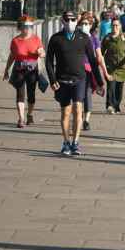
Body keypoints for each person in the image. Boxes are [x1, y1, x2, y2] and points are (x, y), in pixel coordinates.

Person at [45, 11, 105, 156]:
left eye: (73, 19)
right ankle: (66, 142)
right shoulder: (56, 39)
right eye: (68, 19)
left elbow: (92, 60)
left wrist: (100, 82)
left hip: (80, 79)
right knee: (65, 112)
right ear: (62, 21)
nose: (71, 22)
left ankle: (76, 142)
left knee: (78, 109)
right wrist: (52, 80)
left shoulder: (84, 38)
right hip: (62, 81)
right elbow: (48, 62)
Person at [2, 16, 45, 128]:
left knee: (31, 95)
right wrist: (6, 70)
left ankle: (29, 114)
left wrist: (41, 53)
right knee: (20, 94)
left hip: (32, 70)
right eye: (26, 26)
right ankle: (21, 118)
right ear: (20, 27)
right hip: (19, 69)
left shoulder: (36, 39)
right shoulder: (15, 41)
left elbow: (42, 52)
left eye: (31, 26)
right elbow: (12, 56)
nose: (28, 29)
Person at [79, 17, 111, 130]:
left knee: (87, 95)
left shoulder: (94, 39)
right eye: (82, 23)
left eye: (86, 23)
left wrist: (104, 73)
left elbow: (99, 57)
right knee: (77, 97)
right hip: (76, 71)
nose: (84, 25)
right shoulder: (74, 38)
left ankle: (86, 120)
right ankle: (79, 116)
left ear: (91, 25)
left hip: (89, 71)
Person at [102, 19, 125, 114]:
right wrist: (100, 62)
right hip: (110, 67)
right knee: (110, 87)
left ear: (120, 26)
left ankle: (116, 105)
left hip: (122, 68)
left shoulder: (124, 37)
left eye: (117, 25)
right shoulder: (107, 38)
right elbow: (101, 52)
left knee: (119, 90)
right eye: (113, 25)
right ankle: (109, 106)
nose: (114, 27)